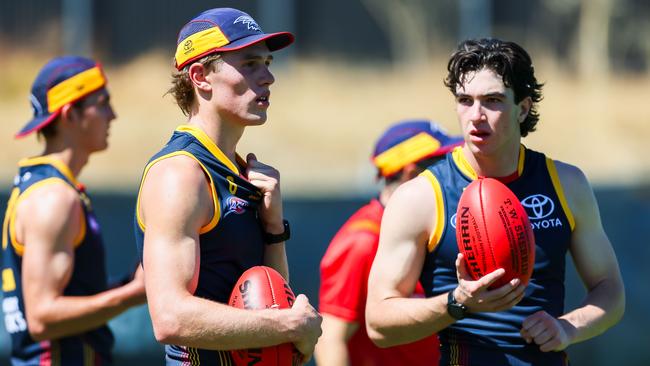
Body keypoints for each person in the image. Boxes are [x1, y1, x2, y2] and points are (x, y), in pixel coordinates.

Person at [365, 38, 625, 366]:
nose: (476, 116)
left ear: (524, 107)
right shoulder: (421, 197)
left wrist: (568, 327)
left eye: (492, 100)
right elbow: (378, 323)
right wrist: (457, 302)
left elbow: (610, 290)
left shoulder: (566, 184)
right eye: (465, 100)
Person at [134, 7, 322, 365]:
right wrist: (288, 326)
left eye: (267, 62)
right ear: (200, 76)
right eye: (250, 64)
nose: (268, 77)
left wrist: (273, 228)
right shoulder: (181, 173)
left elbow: (272, 294)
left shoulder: (240, 172)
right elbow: (169, 317)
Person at [1, 56, 146, 365]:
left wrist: (124, 284)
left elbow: (69, 297)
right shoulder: (54, 198)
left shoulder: (45, 187)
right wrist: (132, 294)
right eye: (103, 103)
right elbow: (42, 318)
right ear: (70, 114)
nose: (113, 115)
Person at [315, 120, 463, 366]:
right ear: (412, 173)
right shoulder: (362, 241)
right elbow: (330, 339)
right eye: (443, 165)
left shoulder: (431, 230)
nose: (453, 175)